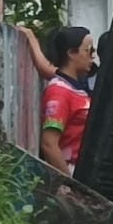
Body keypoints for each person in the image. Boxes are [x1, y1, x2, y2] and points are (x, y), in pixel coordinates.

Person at [39, 26, 97, 178]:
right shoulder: (59, 93)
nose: (93, 56)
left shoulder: (76, 88)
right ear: (71, 53)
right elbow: (49, 144)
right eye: (88, 50)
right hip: (70, 172)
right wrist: (71, 185)